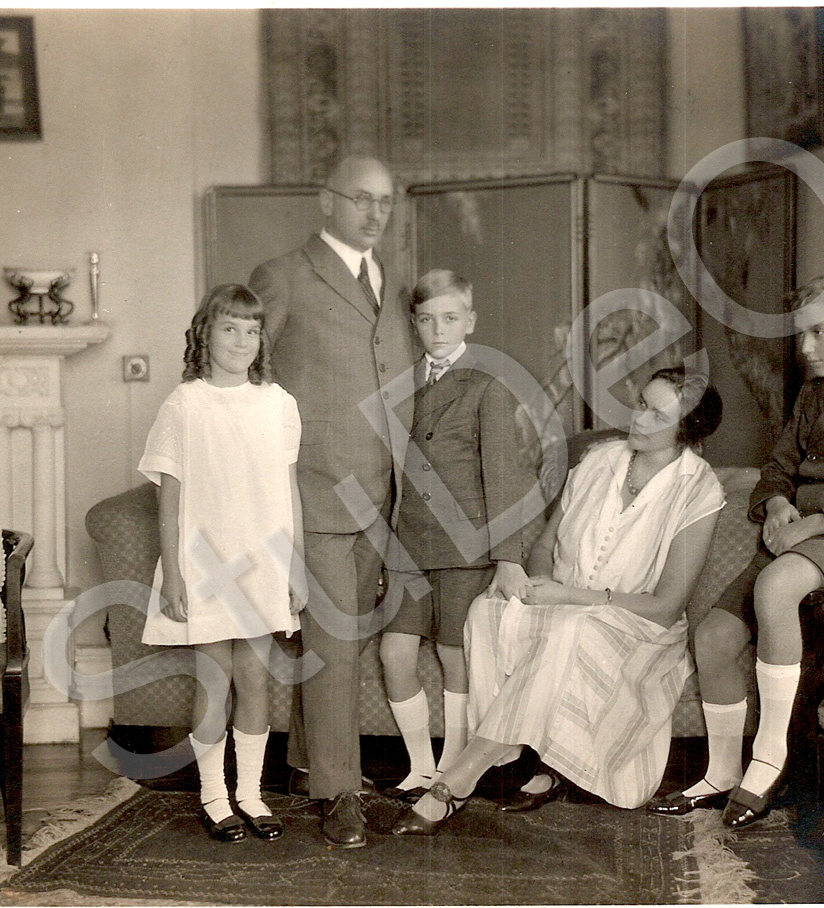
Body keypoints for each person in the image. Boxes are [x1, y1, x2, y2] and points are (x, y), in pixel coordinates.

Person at [647, 274, 824, 830]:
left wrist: (817, 524)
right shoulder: (812, 393)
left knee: (775, 585)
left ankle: (768, 758)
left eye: (817, 333)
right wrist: (778, 504)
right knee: (713, 637)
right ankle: (722, 771)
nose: (804, 348)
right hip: (802, 536)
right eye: (801, 334)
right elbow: (777, 469)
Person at [391, 367, 726, 835]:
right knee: (487, 611)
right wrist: (540, 586)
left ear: (686, 430)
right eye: (641, 403)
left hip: (637, 625)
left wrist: (569, 598)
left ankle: (458, 780)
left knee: (572, 629)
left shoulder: (699, 489)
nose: (638, 417)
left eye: (657, 414)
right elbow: (546, 545)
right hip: (563, 603)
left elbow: (667, 606)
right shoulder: (599, 460)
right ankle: (514, 761)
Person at [249, 155, 415, 849]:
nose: (375, 213)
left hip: (380, 490)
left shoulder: (391, 280)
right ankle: (339, 791)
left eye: (385, 201)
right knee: (336, 644)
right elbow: (238, 371)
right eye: (360, 198)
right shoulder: (283, 275)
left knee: (335, 639)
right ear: (326, 201)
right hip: (311, 491)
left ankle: (303, 763)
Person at [139, 284, 305, 843]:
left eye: (251, 331)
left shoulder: (278, 404)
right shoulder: (184, 404)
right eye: (229, 328)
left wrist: (296, 566)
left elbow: (288, 492)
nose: (240, 341)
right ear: (204, 334)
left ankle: (251, 793)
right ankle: (214, 795)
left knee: (255, 678)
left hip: (261, 560)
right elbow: (168, 500)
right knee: (214, 680)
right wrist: (173, 574)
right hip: (205, 562)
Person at [378, 270, 544, 802]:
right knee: (394, 652)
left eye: (450, 318)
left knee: (456, 654)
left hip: (465, 547)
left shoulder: (487, 383)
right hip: (409, 544)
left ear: (469, 321)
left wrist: (508, 557)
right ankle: (420, 766)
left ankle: (451, 767)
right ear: (413, 324)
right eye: (426, 320)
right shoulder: (403, 381)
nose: (438, 330)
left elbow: (503, 473)